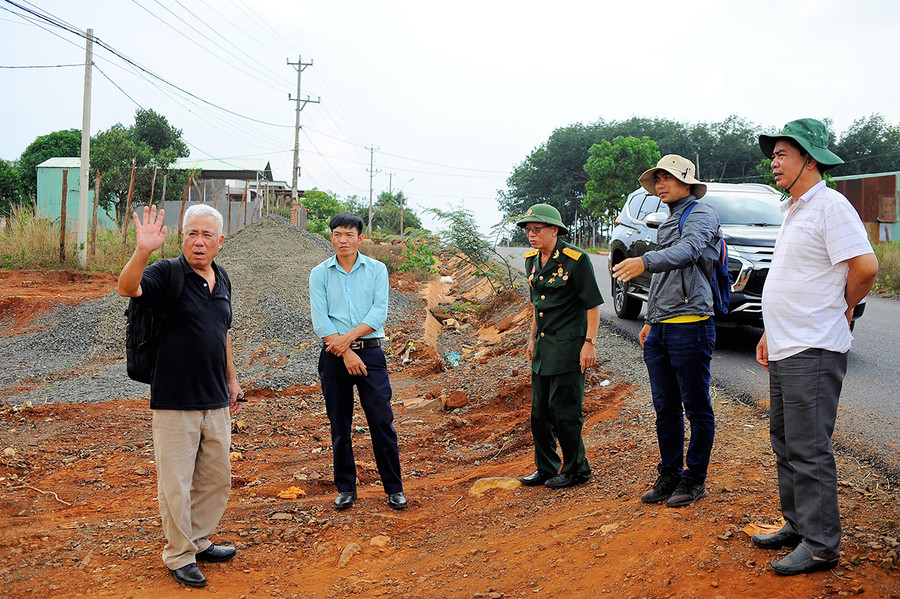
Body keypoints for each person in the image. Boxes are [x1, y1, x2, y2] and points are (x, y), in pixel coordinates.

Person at [753, 118, 878, 575]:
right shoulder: (795, 209)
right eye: (774, 154)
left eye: (783, 154)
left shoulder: (830, 206)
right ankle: (798, 525)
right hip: (788, 343)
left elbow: (865, 267)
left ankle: (822, 544)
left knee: (809, 446)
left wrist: (839, 306)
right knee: (785, 440)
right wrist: (771, 329)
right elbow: (795, 280)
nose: (774, 162)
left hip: (815, 346)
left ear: (809, 159)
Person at [118, 204, 244, 588]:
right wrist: (142, 251)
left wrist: (232, 381)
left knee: (215, 479)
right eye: (192, 233)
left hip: (215, 398)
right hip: (174, 400)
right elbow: (128, 288)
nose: (199, 242)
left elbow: (221, 333)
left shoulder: (221, 278)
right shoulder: (165, 273)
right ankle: (178, 554)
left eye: (207, 235)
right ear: (182, 237)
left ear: (220, 242)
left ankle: (199, 540)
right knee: (175, 483)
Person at [612, 155, 720, 508]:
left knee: (696, 408)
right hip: (662, 329)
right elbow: (665, 279)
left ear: (687, 183)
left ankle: (694, 479)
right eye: (657, 178)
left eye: (668, 178)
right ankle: (670, 473)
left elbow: (687, 253)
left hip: (691, 326)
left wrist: (643, 261)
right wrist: (650, 321)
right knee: (665, 408)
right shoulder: (669, 218)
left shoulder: (701, 214)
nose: (660, 184)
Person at [309, 212, 407, 511]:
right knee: (340, 424)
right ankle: (346, 488)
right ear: (331, 237)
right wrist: (346, 351)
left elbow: (378, 314)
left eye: (349, 234)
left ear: (360, 238)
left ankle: (394, 488)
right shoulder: (319, 273)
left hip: (370, 353)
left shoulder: (376, 270)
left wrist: (348, 341)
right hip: (334, 354)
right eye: (337, 233)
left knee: (381, 420)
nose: (343, 239)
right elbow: (320, 319)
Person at [515, 204, 603, 489]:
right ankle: (546, 467)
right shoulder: (531, 260)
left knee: (564, 410)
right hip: (543, 345)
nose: (531, 235)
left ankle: (577, 469)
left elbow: (592, 305)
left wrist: (589, 343)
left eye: (537, 229)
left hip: (569, 346)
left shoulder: (576, 260)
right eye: (528, 230)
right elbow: (536, 306)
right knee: (539, 412)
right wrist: (531, 339)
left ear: (554, 229)